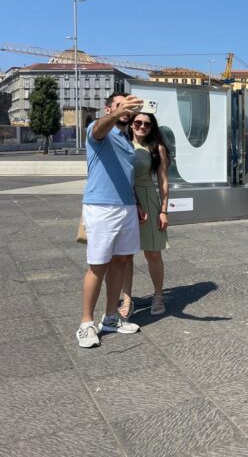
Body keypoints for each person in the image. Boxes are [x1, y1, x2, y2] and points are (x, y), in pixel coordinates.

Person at [76, 92, 146, 348]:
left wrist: (136, 203)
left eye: (129, 106)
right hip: (102, 207)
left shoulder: (126, 139)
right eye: (119, 105)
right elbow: (97, 128)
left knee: (122, 261)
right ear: (108, 109)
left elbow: (126, 175)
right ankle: (86, 324)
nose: (126, 109)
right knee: (98, 264)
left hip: (125, 207)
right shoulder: (99, 132)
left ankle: (110, 317)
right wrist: (117, 113)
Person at [119, 112, 170, 317]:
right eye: (137, 122)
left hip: (148, 199)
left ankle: (158, 295)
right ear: (131, 125)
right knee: (125, 255)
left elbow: (164, 181)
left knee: (153, 252)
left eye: (147, 124)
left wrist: (164, 210)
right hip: (125, 199)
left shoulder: (156, 148)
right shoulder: (122, 145)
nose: (142, 126)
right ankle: (127, 298)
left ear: (152, 127)